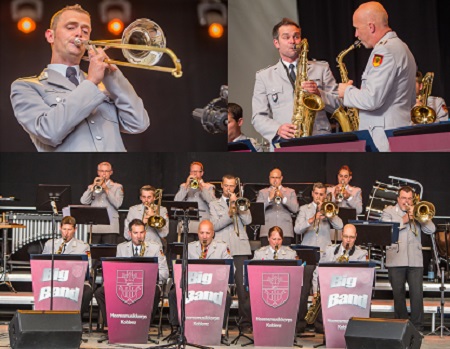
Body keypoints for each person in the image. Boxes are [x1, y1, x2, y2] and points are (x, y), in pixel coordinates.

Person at [10, 4, 149, 152]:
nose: (79, 34)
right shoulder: (26, 87)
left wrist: (110, 74)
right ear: (50, 36)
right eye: (71, 27)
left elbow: (138, 123)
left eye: (85, 31)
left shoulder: (104, 84)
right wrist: (91, 82)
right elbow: (49, 132)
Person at [338, 1, 416, 152]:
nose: (356, 34)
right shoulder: (403, 47)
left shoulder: (384, 51)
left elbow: (372, 99)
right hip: (397, 133)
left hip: (383, 138)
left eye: (357, 28)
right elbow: (411, 99)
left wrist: (346, 91)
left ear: (371, 27)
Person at [252, 18, 339, 149]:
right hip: (284, 142)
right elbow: (258, 117)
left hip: (319, 139)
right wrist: (277, 129)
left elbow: (339, 105)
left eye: (296, 37)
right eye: (286, 37)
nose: (292, 41)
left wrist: (319, 94)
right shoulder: (264, 76)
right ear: (276, 43)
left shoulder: (322, 68)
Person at [94, 219, 169, 328]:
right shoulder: (121, 247)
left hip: (147, 284)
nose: (139, 236)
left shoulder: (155, 247)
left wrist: (153, 275)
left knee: (156, 291)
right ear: (129, 233)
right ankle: (113, 325)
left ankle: (144, 325)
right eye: (135, 233)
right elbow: (116, 270)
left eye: (141, 232)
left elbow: (165, 273)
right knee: (100, 292)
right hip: (126, 284)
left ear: (145, 233)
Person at [381, 186, 435, 331]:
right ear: (398, 199)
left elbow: (431, 230)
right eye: (404, 198)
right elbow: (387, 230)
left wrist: (420, 218)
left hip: (415, 260)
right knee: (398, 294)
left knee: (417, 294)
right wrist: (405, 219)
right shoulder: (389, 212)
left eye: (410, 198)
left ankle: (417, 327)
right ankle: (401, 325)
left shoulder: (417, 210)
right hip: (396, 259)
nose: (407, 201)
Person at [294, 182, 343, 334]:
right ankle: (300, 323)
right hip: (307, 252)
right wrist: (312, 218)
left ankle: (321, 324)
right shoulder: (304, 209)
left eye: (322, 194)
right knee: (303, 291)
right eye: (317, 194)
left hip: (324, 253)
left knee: (323, 290)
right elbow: (297, 228)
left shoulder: (329, 208)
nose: (319, 197)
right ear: (312, 194)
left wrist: (329, 214)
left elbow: (340, 226)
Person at [168, 220, 232, 336]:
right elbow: (182, 269)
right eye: (202, 233)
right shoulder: (190, 247)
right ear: (198, 233)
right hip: (194, 285)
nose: (204, 236)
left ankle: (219, 329)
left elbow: (231, 270)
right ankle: (177, 328)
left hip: (215, 285)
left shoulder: (222, 248)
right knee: (173, 293)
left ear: (213, 233)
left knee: (227, 297)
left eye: (207, 233)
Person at [210, 174, 252, 330]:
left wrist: (239, 207)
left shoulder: (242, 202)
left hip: (240, 248)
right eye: (226, 185)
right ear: (221, 185)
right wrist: (230, 211)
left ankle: (245, 322)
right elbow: (214, 225)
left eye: (232, 186)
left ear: (236, 187)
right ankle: (218, 321)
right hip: (222, 249)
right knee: (219, 286)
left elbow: (248, 221)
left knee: (242, 288)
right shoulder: (214, 204)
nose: (229, 189)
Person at [42, 216, 93, 318]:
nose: (66, 233)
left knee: (87, 291)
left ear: (75, 230)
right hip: (55, 280)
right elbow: (42, 264)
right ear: (60, 228)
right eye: (64, 229)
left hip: (75, 281)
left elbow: (89, 267)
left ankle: (76, 319)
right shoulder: (50, 244)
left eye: (69, 229)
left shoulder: (83, 246)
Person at [312, 224, 368, 297]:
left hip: (351, 294)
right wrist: (315, 292)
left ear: (355, 237)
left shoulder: (361, 254)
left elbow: (363, 279)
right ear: (341, 235)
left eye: (351, 237)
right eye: (345, 236)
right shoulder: (329, 251)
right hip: (330, 291)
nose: (348, 240)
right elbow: (318, 271)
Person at [80, 162, 123, 244]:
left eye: (107, 171)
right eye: (102, 171)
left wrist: (106, 189)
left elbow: (118, 204)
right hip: (95, 226)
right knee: (93, 253)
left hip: (111, 227)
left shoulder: (118, 187)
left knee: (109, 253)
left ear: (111, 172)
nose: (104, 173)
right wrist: (91, 188)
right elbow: (83, 201)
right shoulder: (91, 186)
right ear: (98, 172)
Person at [256, 168, 299, 246]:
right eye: (272, 177)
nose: (275, 180)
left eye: (277, 177)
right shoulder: (262, 192)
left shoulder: (290, 191)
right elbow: (257, 210)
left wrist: (283, 198)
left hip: (285, 232)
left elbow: (295, 209)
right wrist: (269, 199)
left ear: (281, 178)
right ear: (269, 178)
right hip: (267, 231)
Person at [174, 162, 216, 241]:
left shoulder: (209, 186)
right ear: (190, 173)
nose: (195, 174)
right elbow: (176, 201)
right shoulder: (183, 186)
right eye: (193, 172)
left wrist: (202, 188)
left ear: (202, 173)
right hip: (188, 224)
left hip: (203, 225)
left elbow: (212, 202)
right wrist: (186, 185)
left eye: (197, 172)